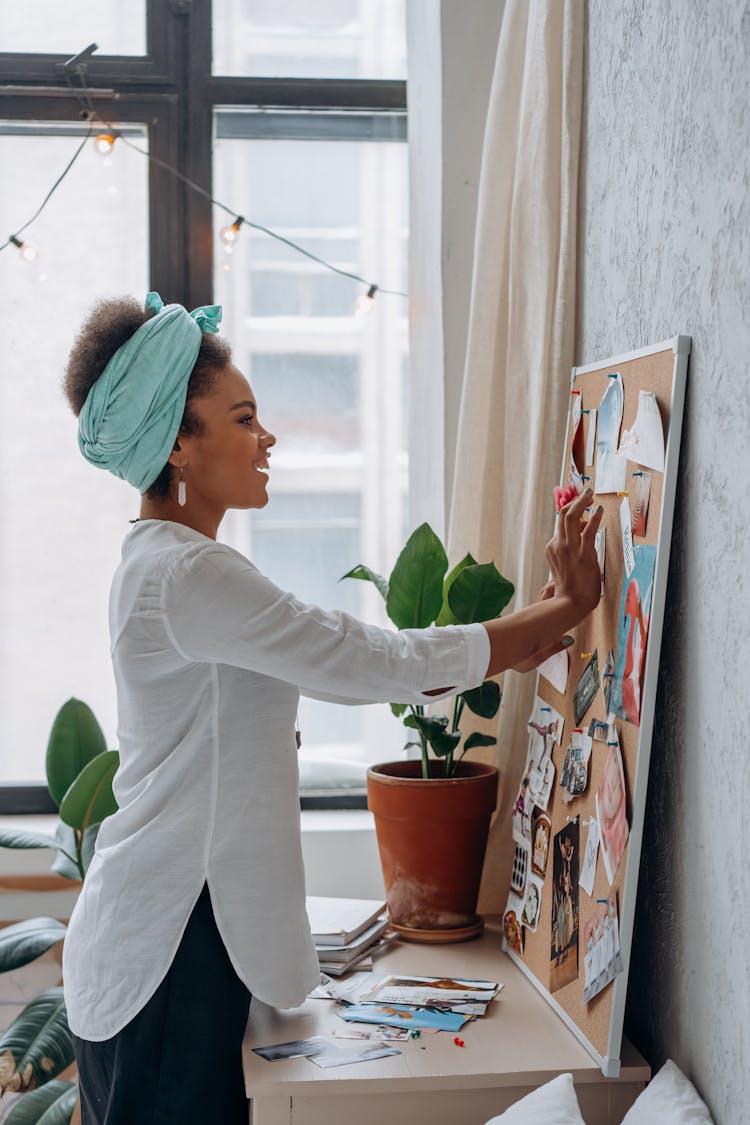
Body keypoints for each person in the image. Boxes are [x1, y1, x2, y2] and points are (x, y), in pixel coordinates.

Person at [61, 293, 603, 1123]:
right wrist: (561, 610)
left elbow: (334, 660)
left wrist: (515, 640)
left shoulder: (164, 565)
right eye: (243, 418)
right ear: (178, 441)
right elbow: (361, 658)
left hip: (165, 933)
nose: (266, 436)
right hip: (171, 947)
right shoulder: (185, 575)